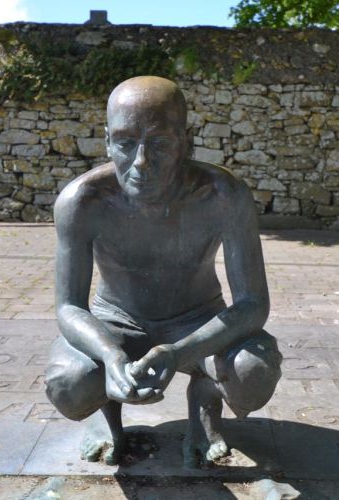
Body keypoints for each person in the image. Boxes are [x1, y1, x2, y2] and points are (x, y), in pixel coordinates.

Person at [45, 76, 282, 468]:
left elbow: (253, 304)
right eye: (124, 143)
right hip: (116, 321)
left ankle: (203, 409)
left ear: (184, 143)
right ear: (106, 141)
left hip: (198, 318)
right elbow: (69, 307)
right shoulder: (82, 202)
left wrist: (180, 352)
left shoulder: (224, 195)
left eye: (159, 144)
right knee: (70, 385)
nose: (141, 162)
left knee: (250, 374)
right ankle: (108, 415)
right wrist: (109, 353)